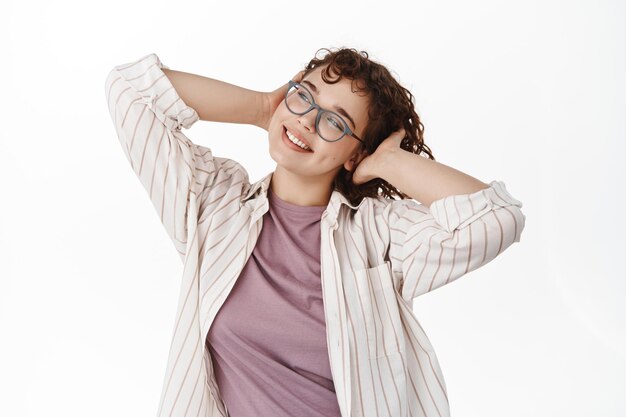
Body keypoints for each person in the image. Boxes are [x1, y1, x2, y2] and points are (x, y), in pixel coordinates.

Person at [104, 47, 526, 417]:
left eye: (335, 123)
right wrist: (264, 107)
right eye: (304, 96)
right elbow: (130, 90)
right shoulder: (215, 209)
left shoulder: (377, 236)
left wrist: (388, 164)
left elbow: (494, 219)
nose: (308, 120)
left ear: (356, 151)